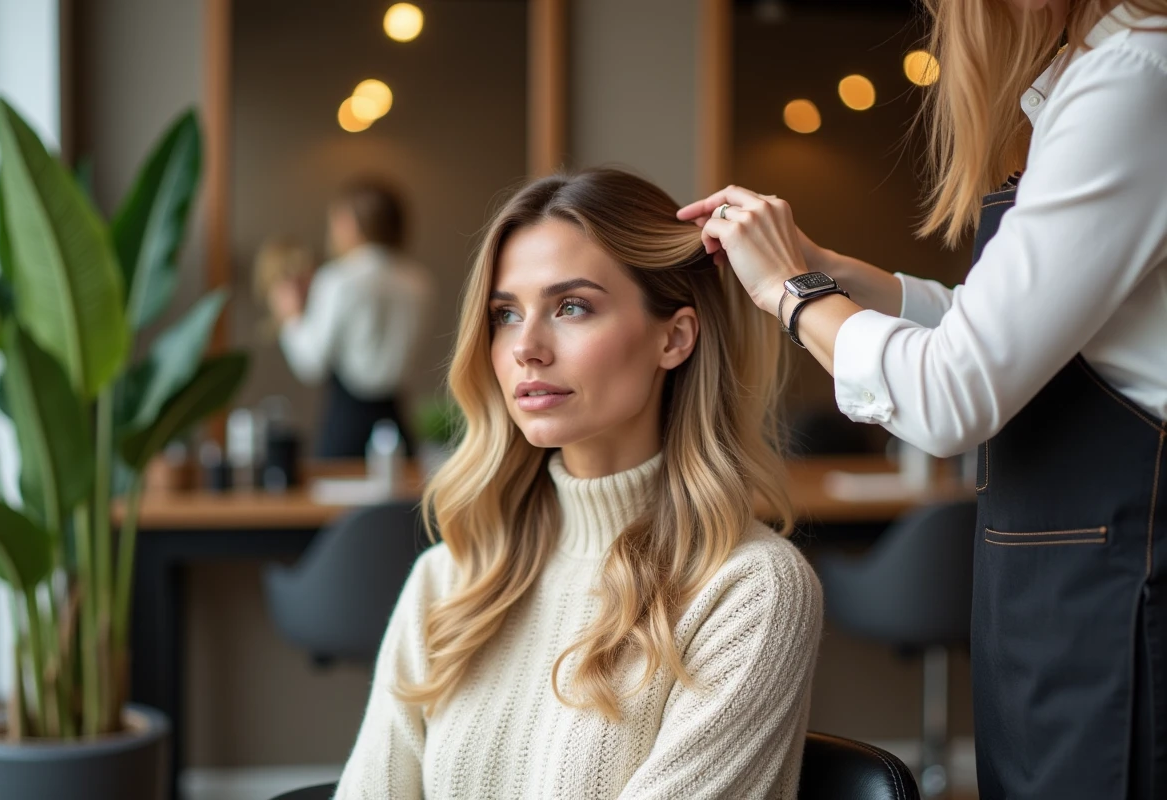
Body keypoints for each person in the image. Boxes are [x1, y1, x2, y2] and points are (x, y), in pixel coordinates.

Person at [678, 1, 1167, 797]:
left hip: (1116, 598)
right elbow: (995, 334)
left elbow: (951, 392)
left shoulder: (1135, 77)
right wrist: (824, 268)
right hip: (1054, 598)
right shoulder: (1087, 84)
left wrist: (791, 293)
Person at [333, 169, 823, 799]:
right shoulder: (450, 581)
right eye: (506, 314)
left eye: (571, 307)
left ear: (674, 337)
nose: (526, 348)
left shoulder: (751, 592)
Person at [269, 179, 432, 459]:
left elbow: (312, 363)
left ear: (350, 222)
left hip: (346, 424)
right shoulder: (419, 282)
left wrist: (292, 316)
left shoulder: (337, 279)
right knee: (399, 501)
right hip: (397, 423)